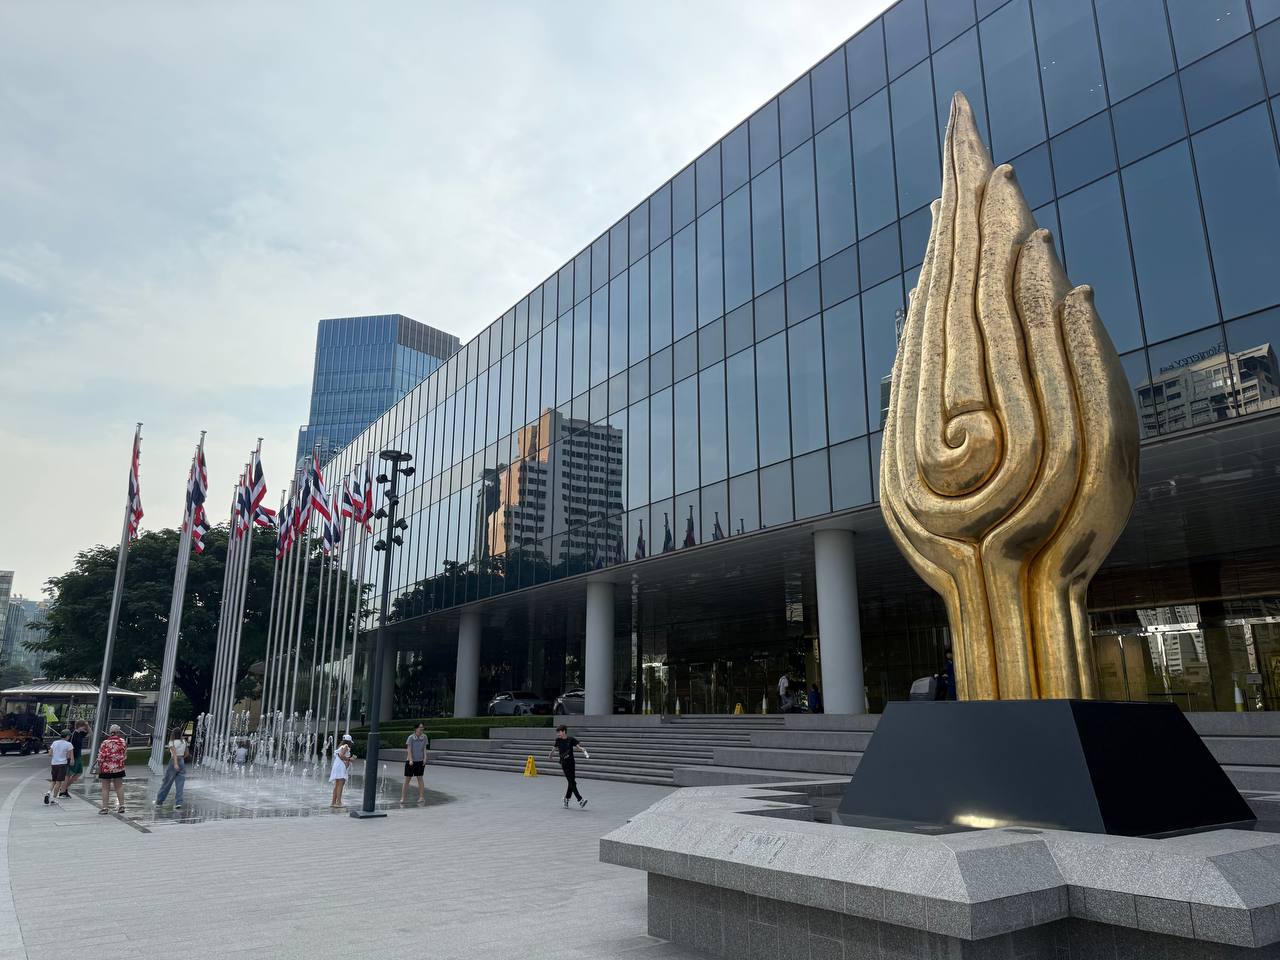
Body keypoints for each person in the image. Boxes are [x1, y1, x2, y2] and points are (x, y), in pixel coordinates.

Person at [549, 724, 589, 809]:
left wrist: (582, 749)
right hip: (564, 763)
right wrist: (550, 755)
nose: (558, 734)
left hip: (571, 763)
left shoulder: (571, 739)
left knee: (572, 782)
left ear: (564, 731)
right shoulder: (558, 740)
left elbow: (578, 747)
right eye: (557, 732)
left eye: (559, 732)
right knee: (572, 782)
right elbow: (554, 749)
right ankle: (580, 800)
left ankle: (566, 799)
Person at [95, 724, 128, 815]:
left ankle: (105, 808)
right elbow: (124, 754)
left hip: (106, 768)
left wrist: (99, 762)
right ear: (118, 732)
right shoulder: (122, 742)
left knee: (105, 788)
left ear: (110, 732)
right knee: (119, 786)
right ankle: (121, 806)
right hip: (118, 767)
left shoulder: (105, 742)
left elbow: (101, 755)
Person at [154, 726, 187, 809]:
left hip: (173, 761)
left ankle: (159, 801)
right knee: (180, 784)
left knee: (167, 782)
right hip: (182, 761)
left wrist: (175, 763)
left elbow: (174, 753)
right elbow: (186, 753)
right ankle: (178, 803)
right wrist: (181, 760)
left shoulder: (172, 742)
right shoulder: (183, 742)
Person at [401, 723, 428, 804]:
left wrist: (425, 758)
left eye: (423, 727)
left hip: (420, 761)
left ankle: (421, 797)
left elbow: (424, 748)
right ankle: (403, 798)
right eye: (420, 727)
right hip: (411, 762)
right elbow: (409, 750)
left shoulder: (424, 737)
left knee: (420, 778)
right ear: (416, 729)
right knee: (407, 780)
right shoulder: (411, 737)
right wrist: (410, 760)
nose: (422, 729)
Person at [45, 730, 73, 805]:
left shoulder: (55, 742)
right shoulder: (69, 744)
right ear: (67, 736)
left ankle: (48, 792)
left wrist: (56, 755)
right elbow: (68, 756)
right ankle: (53, 799)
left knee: (53, 780)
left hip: (54, 764)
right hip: (62, 764)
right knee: (58, 782)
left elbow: (49, 754)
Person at [64, 720, 89, 797]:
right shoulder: (73, 734)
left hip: (78, 756)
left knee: (79, 772)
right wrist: (71, 758)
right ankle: (64, 789)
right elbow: (70, 747)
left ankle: (64, 788)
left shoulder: (80, 734)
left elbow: (90, 734)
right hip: (74, 756)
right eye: (83, 726)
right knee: (69, 773)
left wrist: (87, 725)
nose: (84, 728)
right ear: (80, 726)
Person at [330, 734, 354, 807]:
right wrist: (350, 759)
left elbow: (340, 755)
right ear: (349, 741)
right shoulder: (346, 746)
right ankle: (338, 802)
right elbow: (341, 755)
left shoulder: (341, 746)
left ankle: (333, 802)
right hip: (340, 766)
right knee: (340, 784)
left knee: (337, 784)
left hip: (337, 765)